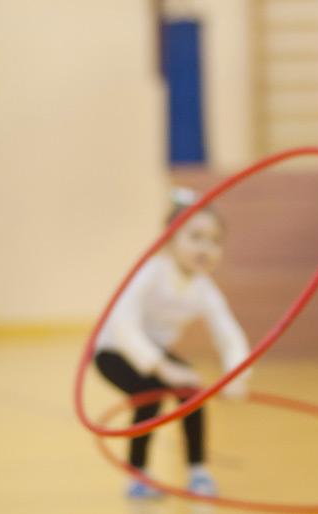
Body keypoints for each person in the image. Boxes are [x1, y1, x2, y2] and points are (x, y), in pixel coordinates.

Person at [94, 188, 251, 500]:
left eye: (215, 240)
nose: (206, 247)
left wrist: (236, 376)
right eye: (195, 237)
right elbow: (122, 324)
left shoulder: (205, 290)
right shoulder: (152, 272)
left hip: (155, 351)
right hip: (115, 349)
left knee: (191, 392)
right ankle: (138, 475)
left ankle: (198, 472)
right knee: (149, 395)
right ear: (170, 239)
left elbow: (229, 336)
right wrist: (162, 367)